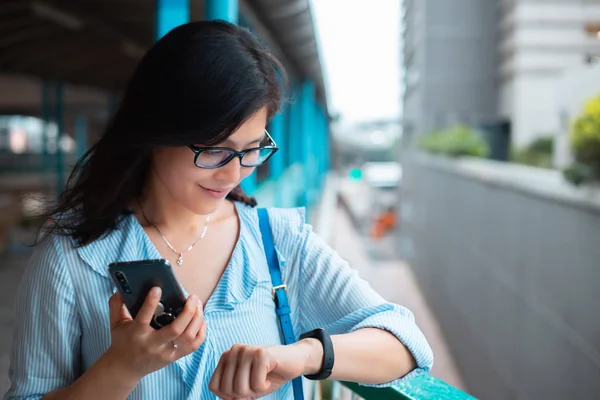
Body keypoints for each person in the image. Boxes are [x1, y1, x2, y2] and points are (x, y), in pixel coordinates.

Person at [4, 21, 433, 400]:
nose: (233, 175)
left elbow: (407, 343)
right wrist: (121, 367)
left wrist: (302, 355)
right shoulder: (73, 256)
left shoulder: (277, 242)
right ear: (157, 130)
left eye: (252, 151)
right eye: (215, 150)